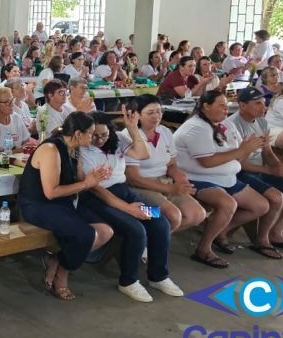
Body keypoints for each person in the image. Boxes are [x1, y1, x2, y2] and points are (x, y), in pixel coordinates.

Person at [80, 110, 183, 302]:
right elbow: (95, 189)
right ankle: (128, 282)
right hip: (98, 198)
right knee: (135, 229)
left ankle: (159, 276)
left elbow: (143, 154)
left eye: (104, 134)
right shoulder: (83, 149)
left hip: (124, 192)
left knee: (160, 222)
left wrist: (133, 129)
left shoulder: (118, 138)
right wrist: (128, 209)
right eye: (94, 135)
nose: (99, 139)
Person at [19, 112, 114, 300]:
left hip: (63, 204)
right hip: (39, 205)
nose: (94, 137)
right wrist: (87, 183)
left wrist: (96, 176)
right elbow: (51, 192)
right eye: (91, 133)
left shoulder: (76, 149)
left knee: (106, 232)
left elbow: (78, 180)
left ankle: (57, 260)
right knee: (85, 234)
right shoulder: (50, 149)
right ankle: (62, 275)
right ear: (78, 133)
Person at [174, 90, 269, 269]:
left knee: (261, 206)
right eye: (221, 106)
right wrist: (243, 149)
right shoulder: (196, 127)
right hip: (197, 178)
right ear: (206, 106)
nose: (226, 110)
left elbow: (237, 158)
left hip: (226, 177)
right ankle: (204, 247)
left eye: (227, 106)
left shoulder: (223, 125)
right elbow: (207, 162)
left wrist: (248, 148)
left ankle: (218, 230)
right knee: (226, 205)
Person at [226, 88, 283, 258]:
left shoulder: (261, 122)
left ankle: (276, 233)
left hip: (259, 171)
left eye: (264, 103)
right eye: (257, 103)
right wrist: (269, 170)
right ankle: (261, 239)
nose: (263, 107)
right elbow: (237, 164)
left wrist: (278, 168)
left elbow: (267, 152)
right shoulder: (233, 125)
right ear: (242, 105)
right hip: (240, 173)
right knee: (275, 197)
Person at [119, 95, 205, 233]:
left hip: (165, 183)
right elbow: (133, 178)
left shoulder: (164, 131)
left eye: (159, 111)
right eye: (150, 113)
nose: (156, 116)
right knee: (171, 216)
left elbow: (171, 164)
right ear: (137, 115)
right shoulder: (127, 135)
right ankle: (146, 243)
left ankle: (152, 241)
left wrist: (179, 177)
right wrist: (169, 189)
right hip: (139, 189)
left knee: (197, 214)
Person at [0, 85, 32, 153]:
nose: (12, 105)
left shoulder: (16, 117)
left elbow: (27, 141)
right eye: (7, 102)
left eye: (12, 100)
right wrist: (16, 151)